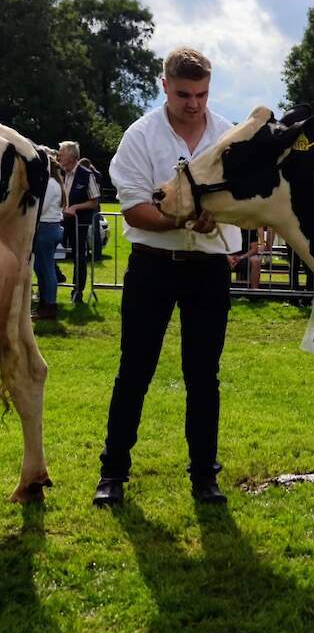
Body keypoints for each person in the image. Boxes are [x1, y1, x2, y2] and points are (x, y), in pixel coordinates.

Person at [93, 47, 242, 507]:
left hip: (209, 269)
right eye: (183, 94)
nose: (194, 103)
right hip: (153, 266)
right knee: (135, 370)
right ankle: (113, 472)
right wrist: (182, 220)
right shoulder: (141, 136)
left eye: (201, 94)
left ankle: (204, 476)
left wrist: (219, 217)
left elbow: (244, 197)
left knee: (203, 375)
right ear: (164, 86)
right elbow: (135, 211)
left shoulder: (227, 137)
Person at [58, 141, 100, 304]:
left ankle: (78, 293)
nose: (59, 155)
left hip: (78, 222)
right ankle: (53, 280)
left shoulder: (86, 174)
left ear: (72, 156)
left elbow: (94, 201)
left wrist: (74, 207)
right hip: (59, 221)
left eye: (62, 152)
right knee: (46, 251)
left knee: (78, 256)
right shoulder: (58, 173)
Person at [32, 154, 66, 321]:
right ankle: (45, 303)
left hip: (46, 228)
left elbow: (41, 208)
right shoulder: (56, 183)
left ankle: (50, 305)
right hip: (50, 228)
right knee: (42, 267)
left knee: (46, 269)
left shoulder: (50, 184)